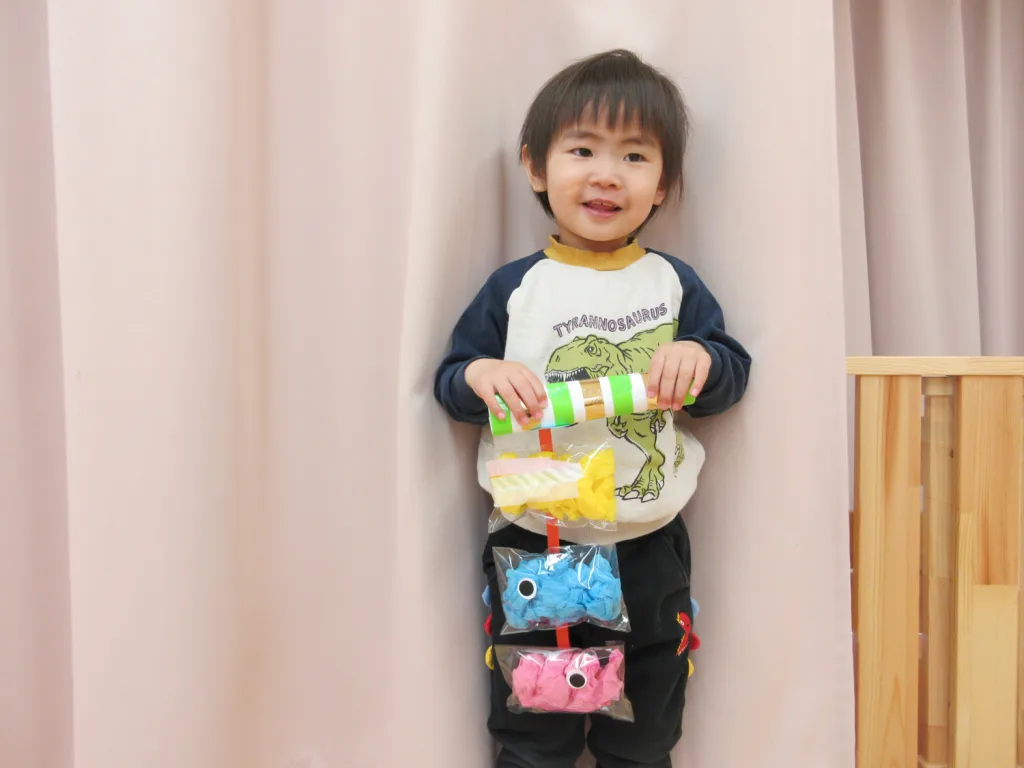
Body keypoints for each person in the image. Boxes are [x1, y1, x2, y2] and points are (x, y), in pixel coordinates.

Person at [434, 49, 751, 768]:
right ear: (536, 167)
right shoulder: (516, 290)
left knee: (644, 727)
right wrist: (481, 373)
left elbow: (732, 375)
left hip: (647, 540)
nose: (607, 173)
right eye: (583, 150)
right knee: (536, 726)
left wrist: (702, 360)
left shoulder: (673, 285)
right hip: (543, 537)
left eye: (634, 156)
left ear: (662, 183)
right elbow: (452, 384)